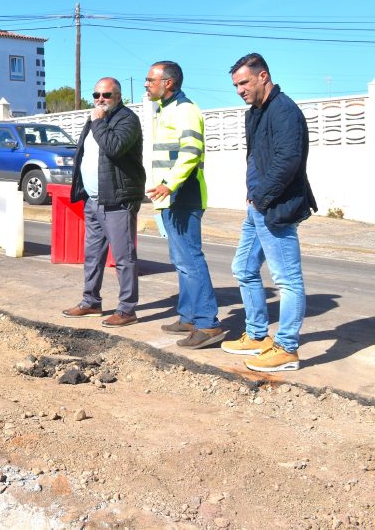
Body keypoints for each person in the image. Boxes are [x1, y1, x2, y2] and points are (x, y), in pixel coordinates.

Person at [221, 54, 316, 372]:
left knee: (288, 281)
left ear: (263, 76)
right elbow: (256, 159)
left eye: (244, 83)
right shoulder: (256, 113)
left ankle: (287, 348)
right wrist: (252, 196)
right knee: (243, 268)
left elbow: (288, 160)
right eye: (235, 85)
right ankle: (258, 336)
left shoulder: (284, 111)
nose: (239, 90)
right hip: (258, 207)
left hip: (277, 208)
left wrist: (260, 198)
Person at [145, 61, 226, 348]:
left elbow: (191, 152)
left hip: (183, 195)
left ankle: (208, 323)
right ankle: (189, 315)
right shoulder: (165, 110)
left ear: (168, 82)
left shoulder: (186, 110)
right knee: (181, 261)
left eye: (150, 79)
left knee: (191, 259)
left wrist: (171, 184)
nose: (146, 84)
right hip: (170, 197)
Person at [62, 77, 146, 327]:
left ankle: (127, 309)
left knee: (124, 258)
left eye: (106, 95)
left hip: (117, 200)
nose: (100, 100)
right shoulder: (94, 120)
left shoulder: (127, 120)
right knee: (92, 255)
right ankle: (91, 302)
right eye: (96, 95)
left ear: (118, 97)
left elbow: (114, 147)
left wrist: (98, 122)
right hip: (93, 200)